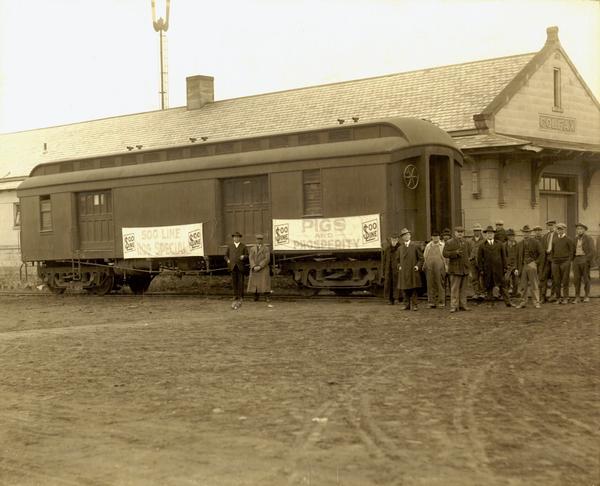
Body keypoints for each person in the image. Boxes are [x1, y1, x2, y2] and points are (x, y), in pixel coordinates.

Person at [478, 225, 512, 307]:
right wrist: (481, 269)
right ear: (486, 235)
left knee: (503, 286)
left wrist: (505, 267)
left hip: (498, 269)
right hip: (488, 270)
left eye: (491, 233)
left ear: (494, 234)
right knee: (489, 286)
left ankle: (508, 302)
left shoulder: (499, 244)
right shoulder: (482, 245)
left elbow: (504, 257)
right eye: (488, 233)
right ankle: (490, 303)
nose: (490, 235)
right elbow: (479, 259)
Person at [443, 226, 473, 312]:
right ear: (455, 233)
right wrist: (455, 253)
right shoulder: (449, 242)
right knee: (454, 288)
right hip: (455, 269)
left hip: (464, 269)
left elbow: (469, 254)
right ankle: (454, 306)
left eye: (461, 232)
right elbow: (445, 254)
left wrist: (468, 268)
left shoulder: (466, 243)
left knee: (464, 289)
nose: (460, 233)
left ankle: (463, 305)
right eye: (458, 232)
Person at [515, 225, 543, 309]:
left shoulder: (535, 242)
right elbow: (517, 257)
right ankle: (523, 302)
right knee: (523, 285)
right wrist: (516, 268)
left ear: (530, 233)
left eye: (527, 232)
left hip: (532, 264)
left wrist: (535, 263)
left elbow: (541, 254)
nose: (525, 234)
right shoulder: (519, 244)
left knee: (534, 284)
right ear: (522, 233)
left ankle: (536, 302)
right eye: (524, 232)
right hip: (523, 266)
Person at [397, 228, 423, 311]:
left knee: (414, 289)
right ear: (402, 238)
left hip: (413, 271)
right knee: (405, 289)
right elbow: (397, 260)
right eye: (404, 235)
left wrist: (417, 266)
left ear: (410, 236)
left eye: (407, 234)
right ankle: (406, 305)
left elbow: (421, 258)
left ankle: (415, 305)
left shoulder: (415, 246)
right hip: (404, 272)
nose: (406, 236)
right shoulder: (400, 248)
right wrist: (399, 266)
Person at [550, 222, 574, 305]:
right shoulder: (554, 239)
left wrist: (568, 261)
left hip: (565, 262)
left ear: (564, 230)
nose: (560, 231)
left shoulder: (569, 240)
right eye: (558, 229)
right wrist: (553, 260)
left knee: (565, 280)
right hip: (555, 263)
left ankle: (565, 298)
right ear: (556, 230)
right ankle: (558, 298)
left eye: (561, 229)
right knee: (557, 281)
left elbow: (572, 252)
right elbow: (552, 251)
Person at [571, 223, 594, 303]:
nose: (579, 230)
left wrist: (586, 260)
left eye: (581, 229)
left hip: (584, 259)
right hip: (576, 260)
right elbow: (572, 251)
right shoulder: (575, 239)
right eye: (577, 229)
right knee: (576, 279)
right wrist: (573, 259)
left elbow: (592, 251)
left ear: (584, 230)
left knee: (586, 279)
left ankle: (586, 296)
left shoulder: (588, 238)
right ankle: (577, 296)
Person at [423, 229, 446, 308]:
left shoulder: (442, 245)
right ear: (431, 237)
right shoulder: (428, 246)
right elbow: (425, 256)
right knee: (430, 284)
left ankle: (441, 302)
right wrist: (426, 265)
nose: (435, 238)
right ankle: (431, 302)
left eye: (437, 236)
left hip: (440, 267)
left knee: (440, 284)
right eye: (434, 236)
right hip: (430, 267)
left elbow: (445, 258)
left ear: (439, 237)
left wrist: (445, 267)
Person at [225, 231, 248, 306]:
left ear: (239, 238)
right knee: (234, 282)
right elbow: (225, 256)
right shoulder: (230, 246)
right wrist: (228, 260)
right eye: (235, 237)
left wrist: (244, 257)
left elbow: (247, 255)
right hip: (232, 266)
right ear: (233, 238)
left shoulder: (243, 246)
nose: (236, 238)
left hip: (240, 267)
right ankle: (235, 296)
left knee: (241, 282)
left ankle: (241, 296)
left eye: (237, 237)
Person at [247, 234, 272, 303]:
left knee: (265, 283)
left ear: (262, 240)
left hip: (263, 268)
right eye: (258, 239)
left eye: (260, 239)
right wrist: (254, 266)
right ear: (256, 240)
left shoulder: (266, 248)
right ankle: (255, 297)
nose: (259, 240)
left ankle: (267, 297)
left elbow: (267, 259)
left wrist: (260, 266)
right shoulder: (252, 248)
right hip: (254, 268)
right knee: (254, 283)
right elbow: (250, 258)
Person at [382, 233, 402, 304]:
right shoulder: (387, 249)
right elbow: (384, 261)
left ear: (397, 240)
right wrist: (384, 271)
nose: (394, 241)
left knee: (397, 283)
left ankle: (397, 298)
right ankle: (390, 299)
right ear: (391, 240)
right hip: (389, 269)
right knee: (389, 283)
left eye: (395, 239)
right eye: (392, 239)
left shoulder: (400, 248)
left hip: (397, 269)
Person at [540, 220, 557, 303]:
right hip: (546, 260)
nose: (550, 227)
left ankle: (553, 296)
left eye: (552, 225)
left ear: (555, 226)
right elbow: (542, 248)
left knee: (554, 277)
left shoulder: (558, 235)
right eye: (549, 225)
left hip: (554, 259)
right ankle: (543, 296)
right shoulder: (545, 236)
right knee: (544, 277)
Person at [469, 223, 486, 300]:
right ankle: (476, 293)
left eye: (478, 231)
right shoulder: (470, 241)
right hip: (472, 261)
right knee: (474, 277)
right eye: (475, 231)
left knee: (482, 277)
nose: (477, 232)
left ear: (480, 231)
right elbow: (468, 251)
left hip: (481, 261)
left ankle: (482, 293)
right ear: (473, 232)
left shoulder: (484, 240)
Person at [505, 228, 520, 297]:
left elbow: (518, 257)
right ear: (508, 237)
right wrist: (506, 266)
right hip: (507, 267)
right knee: (506, 279)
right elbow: (503, 257)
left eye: (513, 236)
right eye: (510, 236)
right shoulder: (504, 245)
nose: (512, 237)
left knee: (516, 281)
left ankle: (514, 293)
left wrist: (516, 268)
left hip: (514, 266)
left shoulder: (517, 245)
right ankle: (506, 293)